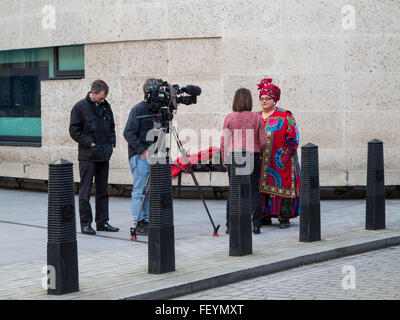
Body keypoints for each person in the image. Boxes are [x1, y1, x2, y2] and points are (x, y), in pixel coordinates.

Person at [69, 79, 120, 235]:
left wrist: (111, 144)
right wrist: (89, 143)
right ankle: (86, 224)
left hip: (104, 156)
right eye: (101, 97)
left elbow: (112, 127)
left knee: (102, 190)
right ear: (93, 93)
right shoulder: (80, 107)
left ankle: (102, 222)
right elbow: (74, 130)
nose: (103, 100)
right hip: (88, 157)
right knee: (85, 192)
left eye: (104, 97)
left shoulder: (106, 107)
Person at [220, 88, 267, 235]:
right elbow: (264, 141)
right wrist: (260, 151)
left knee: (233, 191)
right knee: (253, 190)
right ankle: (256, 225)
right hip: (253, 155)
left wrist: (224, 158)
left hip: (235, 157)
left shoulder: (229, 118)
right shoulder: (257, 118)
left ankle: (229, 225)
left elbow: (224, 142)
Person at [256, 78, 301, 229]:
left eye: (267, 98)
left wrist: (285, 155)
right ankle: (264, 215)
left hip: (279, 161)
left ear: (274, 99)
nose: (264, 101)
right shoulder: (255, 116)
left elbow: (293, 138)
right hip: (260, 161)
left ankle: (284, 217)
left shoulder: (285, 116)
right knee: (259, 187)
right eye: (262, 99)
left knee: (282, 185)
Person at [123, 78, 163, 236]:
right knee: (139, 191)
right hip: (140, 156)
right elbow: (128, 132)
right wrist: (142, 151)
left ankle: (146, 220)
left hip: (152, 155)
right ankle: (137, 221)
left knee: (148, 191)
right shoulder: (138, 109)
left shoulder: (159, 110)